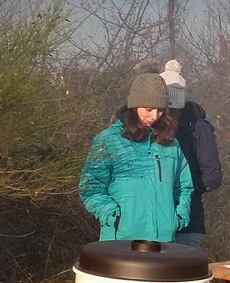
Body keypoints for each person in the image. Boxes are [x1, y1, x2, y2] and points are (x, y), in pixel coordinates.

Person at [78, 71, 193, 241]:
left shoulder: (171, 143)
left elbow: (184, 187)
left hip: (164, 241)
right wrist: (113, 216)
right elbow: (91, 187)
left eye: (160, 110)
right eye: (149, 109)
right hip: (120, 242)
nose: (154, 116)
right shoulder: (108, 141)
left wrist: (179, 216)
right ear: (134, 106)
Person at [161, 60, 223, 250]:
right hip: (154, 224)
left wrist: (185, 191)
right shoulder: (150, 127)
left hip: (188, 223)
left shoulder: (198, 128)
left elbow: (212, 176)